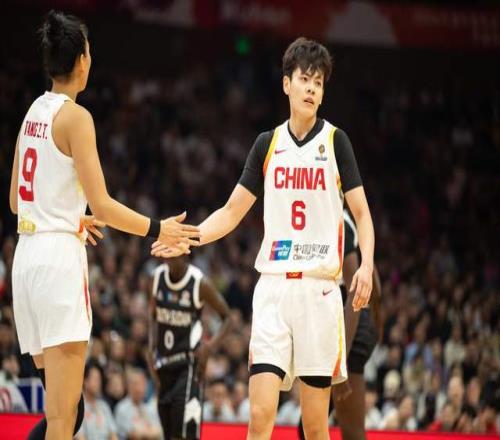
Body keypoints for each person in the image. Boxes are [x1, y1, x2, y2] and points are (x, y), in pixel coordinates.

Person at [153, 36, 375, 440]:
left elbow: (362, 213)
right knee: (259, 415)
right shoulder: (267, 144)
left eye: (319, 83)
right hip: (273, 288)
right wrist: (192, 237)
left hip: (319, 291)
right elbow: (231, 211)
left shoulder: (336, 141)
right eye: (304, 79)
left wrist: (367, 266)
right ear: (286, 83)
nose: (311, 88)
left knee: (314, 425)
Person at [9, 10, 199, 440]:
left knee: (67, 413)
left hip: (26, 259)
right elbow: (105, 206)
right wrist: (159, 228)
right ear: (81, 61)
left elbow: (16, 200)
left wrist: (67, 214)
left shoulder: (32, 112)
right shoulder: (76, 118)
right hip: (57, 262)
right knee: (63, 419)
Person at [297, 209, 382, 440]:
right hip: (343, 326)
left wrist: (340, 364)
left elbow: (355, 292)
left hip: (349, 327)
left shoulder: (339, 222)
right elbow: (374, 279)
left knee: (352, 433)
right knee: (308, 425)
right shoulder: (333, 221)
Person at [148, 256, 232, 439]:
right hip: (163, 366)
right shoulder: (156, 277)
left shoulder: (199, 282)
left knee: (184, 435)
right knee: (169, 434)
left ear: (185, 252)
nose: (168, 255)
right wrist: (150, 346)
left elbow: (228, 318)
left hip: (188, 366)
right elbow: (152, 316)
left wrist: (209, 347)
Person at [76, 362, 118, 440]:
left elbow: (113, 435)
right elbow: (80, 437)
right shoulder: (78, 408)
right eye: (95, 379)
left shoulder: (104, 406)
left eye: (99, 380)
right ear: (85, 381)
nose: (99, 383)